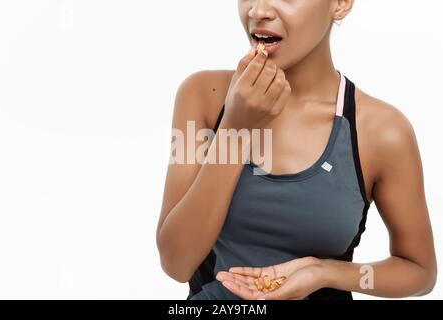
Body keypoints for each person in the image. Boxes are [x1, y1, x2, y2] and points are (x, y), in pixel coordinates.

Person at [156, 0, 437, 300]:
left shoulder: (384, 131)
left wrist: (325, 272)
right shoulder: (202, 96)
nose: (257, 11)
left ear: (340, 4)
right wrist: (236, 130)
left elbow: (419, 272)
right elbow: (176, 263)